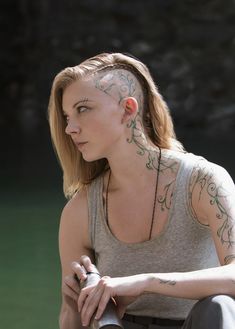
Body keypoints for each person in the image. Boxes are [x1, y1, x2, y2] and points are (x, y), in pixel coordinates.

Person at [48, 52, 235, 329]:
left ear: (128, 109)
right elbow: (71, 321)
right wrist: (74, 304)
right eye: (66, 116)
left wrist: (146, 282)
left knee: (220, 306)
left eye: (83, 109)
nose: (70, 128)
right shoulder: (82, 209)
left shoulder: (203, 182)